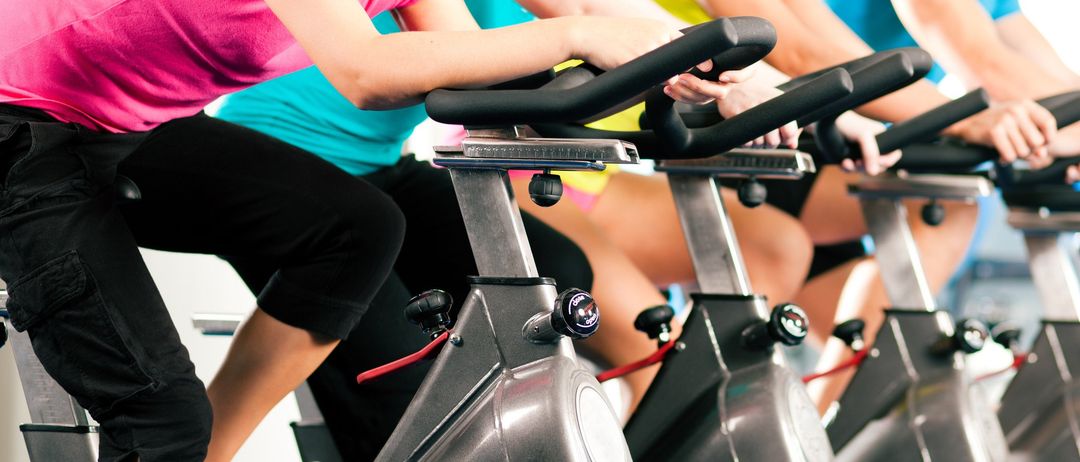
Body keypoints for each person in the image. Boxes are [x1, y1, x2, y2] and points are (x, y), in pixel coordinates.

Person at [0, 0, 727, 460]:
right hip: (18, 121)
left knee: (356, 227)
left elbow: (479, 77)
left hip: (128, 124)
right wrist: (579, 32)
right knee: (162, 423)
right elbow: (365, 71)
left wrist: (683, 80)